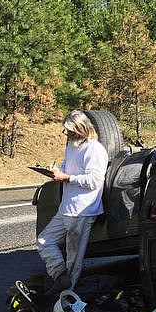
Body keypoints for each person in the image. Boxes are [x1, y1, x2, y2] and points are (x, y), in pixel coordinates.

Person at [37, 111, 109, 296]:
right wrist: (55, 171)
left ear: (82, 129)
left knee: (73, 258)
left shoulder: (95, 150)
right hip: (66, 207)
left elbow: (94, 180)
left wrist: (67, 177)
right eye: (66, 131)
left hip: (82, 211)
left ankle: (67, 296)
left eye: (71, 131)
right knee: (44, 241)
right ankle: (60, 276)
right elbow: (66, 168)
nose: (68, 135)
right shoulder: (71, 145)